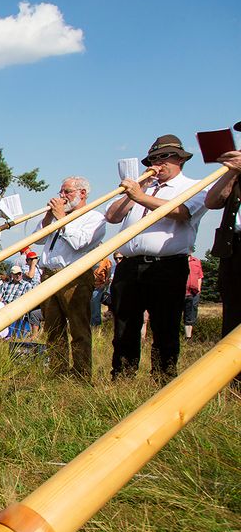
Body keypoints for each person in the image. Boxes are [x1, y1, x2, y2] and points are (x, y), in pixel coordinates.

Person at [104, 134, 208, 382]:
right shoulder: (144, 188)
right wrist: (133, 193)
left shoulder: (195, 186)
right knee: (124, 325)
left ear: (180, 159)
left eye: (164, 157)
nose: (157, 164)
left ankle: (163, 380)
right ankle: (123, 378)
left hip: (167, 266)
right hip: (129, 265)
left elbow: (181, 213)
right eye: (152, 159)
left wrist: (141, 197)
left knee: (165, 326)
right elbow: (111, 216)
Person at [37, 175, 107, 379]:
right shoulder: (59, 215)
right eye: (61, 192)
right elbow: (39, 239)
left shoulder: (94, 217)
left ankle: (81, 374)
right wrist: (50, 217)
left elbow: (80, 243)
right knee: (52, 328)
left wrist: (61, 218)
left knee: (78, 327)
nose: (62, 196)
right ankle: (57, 371)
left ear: (82, 193)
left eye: (67, 192)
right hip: (49, 275)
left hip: (74, 276)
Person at [204, 143, 241, 344]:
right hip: (233, 248)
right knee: (233, 312)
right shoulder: (236, 172)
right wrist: (230, 173)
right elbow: (212, 202)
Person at [183, 251, 203, 339]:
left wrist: (198, 290)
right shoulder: (176, 262)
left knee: (190, 317)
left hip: (193, 294)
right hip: (179, 293)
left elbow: (200, 277)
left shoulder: (197, 261)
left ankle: (188, 338)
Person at [91, 256, 112, 327]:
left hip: (99, 286)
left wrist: (104, 284)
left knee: (94, 299)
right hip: (89, 285)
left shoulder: (106, 261)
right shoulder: (89, 259)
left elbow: (108, 275)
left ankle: (95, 324)